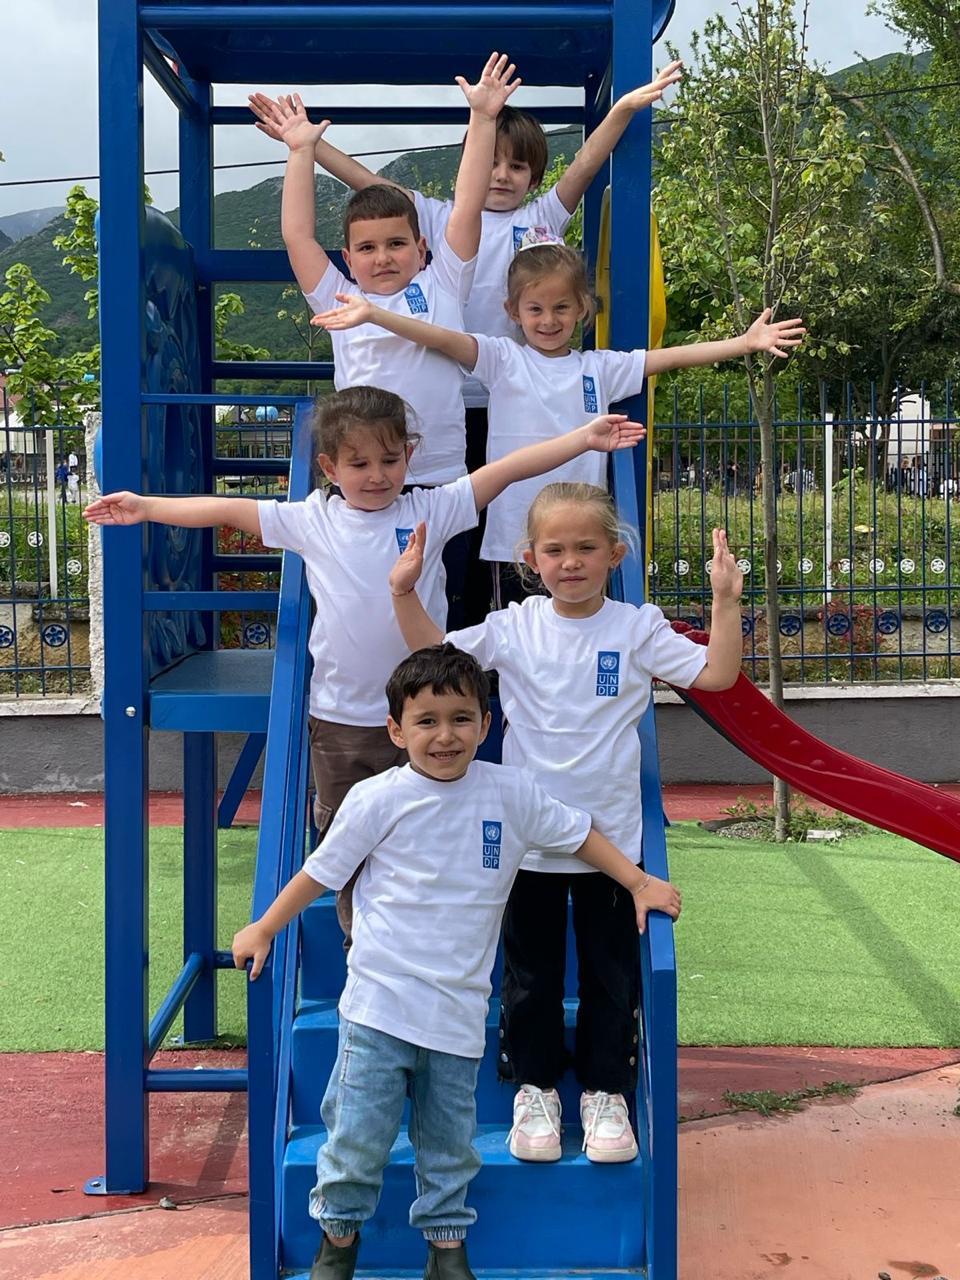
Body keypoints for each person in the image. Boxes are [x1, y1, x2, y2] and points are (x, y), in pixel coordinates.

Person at [83, 385, 645, 945]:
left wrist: (582, 438)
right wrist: (144, 508)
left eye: (389, 460)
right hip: (344, 717)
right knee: (346, 835)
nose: (376, 475)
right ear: (329, 466)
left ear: (410, 456)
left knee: (432, 829)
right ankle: (365, 942)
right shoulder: (313, 520)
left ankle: (431, 937)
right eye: (359, 463)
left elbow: (505, 471)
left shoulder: (432, 508)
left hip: (432, 716)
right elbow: (229, 509)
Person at [231, 643, 681, 1280]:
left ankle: (446, 1254)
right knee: (356, 1141)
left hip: (459, 1016)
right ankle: (337, 1246)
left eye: (461, 719)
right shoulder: (376, 799)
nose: (445, 736)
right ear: (396, 729)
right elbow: (321, 872)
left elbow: (580, 833)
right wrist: (265, 926)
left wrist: (637, 882)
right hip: (379, 1009)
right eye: (426, 721)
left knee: (449, 1148)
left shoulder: (511, 792)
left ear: (486, 724)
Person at [387, 484, 743, 1164]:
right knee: (531, 977)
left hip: (612, 846)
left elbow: (717, 674)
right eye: (555, 549)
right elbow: (429, 659)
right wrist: (405, 594)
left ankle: (606, 1093)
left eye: (586, 548)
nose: (570, 561)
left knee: (612, 976)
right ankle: (536, 1088)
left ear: (615, 553)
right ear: (530, 558)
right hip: (526, 844)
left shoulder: (636, 628)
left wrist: (725, 601)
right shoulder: (515, 625)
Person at [314, 238, 804, 606]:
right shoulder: (503, 358)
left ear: (581, 310)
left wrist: (743, 344)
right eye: (535, 309)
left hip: (580, 532)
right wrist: (376, 315)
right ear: (513, 312)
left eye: (561, 308)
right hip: (515, 536)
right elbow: (441, 337)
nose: (548, 320)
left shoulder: (598, 368)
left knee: (579, 628)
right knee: (516, 635)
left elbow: (668, 358)